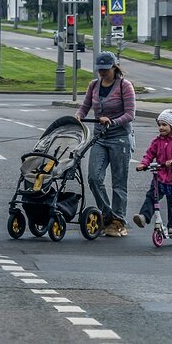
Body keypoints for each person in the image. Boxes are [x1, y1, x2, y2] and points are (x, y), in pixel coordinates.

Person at [74, 51, 136, 237]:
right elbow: (85, 107)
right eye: (99, 69)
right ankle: (108, 215)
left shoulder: (125, 86)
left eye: (105, 70)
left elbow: (130, 114)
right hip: (100, 138)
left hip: (120, 138)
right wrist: (79, 115)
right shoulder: (94, 85)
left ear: (114, 67)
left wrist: (112, 121)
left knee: (118, 183)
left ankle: (118, 221)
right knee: (94, 178)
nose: (102, 73)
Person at [133, 109, 172, 233]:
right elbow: (149, 154)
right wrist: (144, 163)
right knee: (151, 196)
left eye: (164, 125)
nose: (161, 128)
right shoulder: (157, 142)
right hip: (160, 177)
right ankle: (144, 216)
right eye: (159, 125)